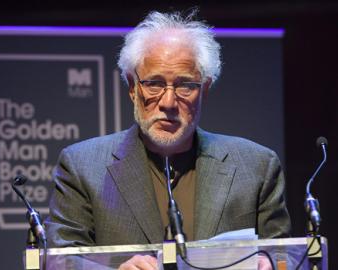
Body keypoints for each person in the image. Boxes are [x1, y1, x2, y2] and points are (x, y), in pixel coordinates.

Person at [46, 10, 291, 270]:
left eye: (185, 85)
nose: (168, 102)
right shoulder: (82, 166)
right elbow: (61, 261)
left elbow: (285, 255)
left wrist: (271, 263)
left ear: (204, 89)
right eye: (154, 83)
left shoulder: (256, 166)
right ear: (132, 87)